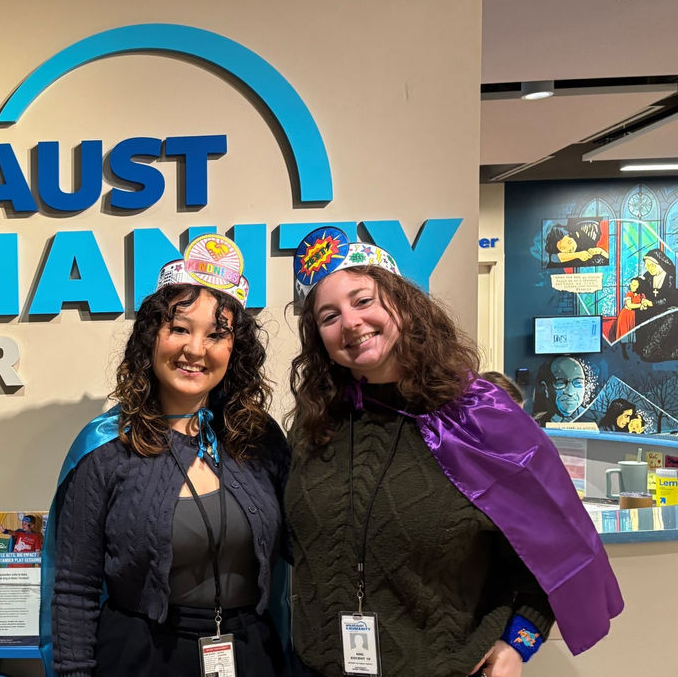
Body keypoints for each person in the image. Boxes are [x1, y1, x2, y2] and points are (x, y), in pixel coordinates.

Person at [285, 227, 622, 677]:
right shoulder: (316, 426)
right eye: (329, 316)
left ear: (402, 302)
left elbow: (555, 549)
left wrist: (520, 641)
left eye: (363, 300)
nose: (350, 322)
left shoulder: (480, 419)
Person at [47, 234, 291, 677]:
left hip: (252, 654)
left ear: (234, 351)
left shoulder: (260, 440)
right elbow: (75, 590)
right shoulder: (106, 447)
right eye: (179, 328)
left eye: (216, 334)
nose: (195, 350)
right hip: (141, 656)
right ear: (150, 339)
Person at [634, 248, 678, 362]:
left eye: (651, 265)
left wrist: (652, 303)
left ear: (660, 264)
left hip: (665, 309)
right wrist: (644, 301)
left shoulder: (669, 277)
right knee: (639, 312)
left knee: (671, 315)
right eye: (647, 265)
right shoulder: (648, 276)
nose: (649, 268)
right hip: (651, 310)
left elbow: (670, 299)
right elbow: (644, 291)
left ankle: (652, 349)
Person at [531, 356, 587, 425]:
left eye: (578, 383)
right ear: (545, 388)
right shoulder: (535, 423)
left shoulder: (595, 418)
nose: (570, 392)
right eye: (560, 383)